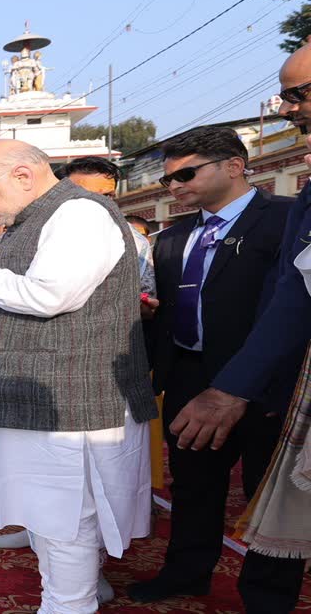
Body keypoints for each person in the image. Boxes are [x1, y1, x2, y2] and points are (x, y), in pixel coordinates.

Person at [0, 140, 157, 613]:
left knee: (66, 518)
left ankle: (70, 604)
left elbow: (49, 296)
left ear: (23, 176)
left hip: (71, 395)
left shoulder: (79, 214)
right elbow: (9, 294)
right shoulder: (35, 219)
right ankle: (70, 597)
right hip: (45, 392)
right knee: (49, 516)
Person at [128, 126, 298, 608]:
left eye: (186, 174)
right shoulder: (171, 238)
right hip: (189, 374)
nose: (174, 186)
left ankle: (268, 596)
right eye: (168, 179)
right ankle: (186, 572)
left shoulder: (287, 220)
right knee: (194, 485)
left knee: (270, 494)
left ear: (234, 166)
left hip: (268, 382)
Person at [191, 44, 311, 612]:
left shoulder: (279, 212)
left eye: (298, 94)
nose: (287, 110)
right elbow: (293, 293)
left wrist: (236, 386)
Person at [60, 157, 155, 296]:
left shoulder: (135, 241)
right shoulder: (37, 232)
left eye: (106, 195)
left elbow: (145, 295)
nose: (97, 202)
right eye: (84, 194)